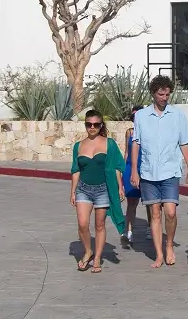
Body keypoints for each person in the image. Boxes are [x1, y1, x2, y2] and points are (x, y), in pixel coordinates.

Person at [130, 75, 188, 268]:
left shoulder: (177, 115)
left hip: (170, 171)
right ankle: (159, 254)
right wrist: (134, 170)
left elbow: (183, 142)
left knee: (170, 212)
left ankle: (169, 245)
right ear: (153, 93)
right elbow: (136, 143)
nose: (164, 98)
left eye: (167, 94)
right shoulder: (141, 116)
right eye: (161, 94)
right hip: (149, 171)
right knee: (155, 213)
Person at [70, 109, 126, 273]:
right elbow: (75, 170)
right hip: (83, 188)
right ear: (85, 125)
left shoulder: (109, 144)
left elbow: (116, 167)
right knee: (82, 224)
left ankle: (97, 259)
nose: (92, 127)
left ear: (101, 125)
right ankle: (88, 251)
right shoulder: (78, 146)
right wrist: (73, 191)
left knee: (99, 224)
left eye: (95, 124)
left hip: (103, 188)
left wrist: (120, 187)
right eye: (89, 124)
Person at [121, 104, 146, 248]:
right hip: (131, 168)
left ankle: (150, 228)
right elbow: (126, 152)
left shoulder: (148, 132)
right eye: (133, 117)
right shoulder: (129, 133)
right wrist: (124, 170)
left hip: (146, 168)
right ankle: (128, 231)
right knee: (132, 202)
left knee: (150, 203)